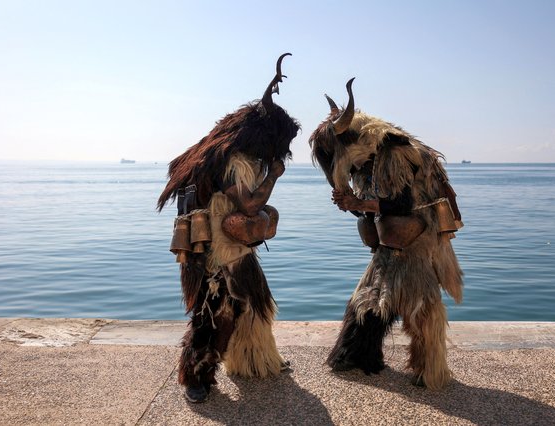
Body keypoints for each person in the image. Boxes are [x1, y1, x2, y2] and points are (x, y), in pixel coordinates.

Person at [157, 54, 300, 403]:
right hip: (216, 255)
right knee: (215, 314)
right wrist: (274, 176)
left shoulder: (225, 153)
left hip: (227, 249)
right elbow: (249, 204)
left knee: (256, 302)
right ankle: (196, 376)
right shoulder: (236, 161)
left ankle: (256, 361)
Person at [309, 78, 464, 390]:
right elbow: (372, 208)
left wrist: (357, 201)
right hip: (387, 243)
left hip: (414, 242)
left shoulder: (393, 151)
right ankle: (358, 356)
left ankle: (429, 369)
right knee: (368, 302)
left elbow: (403, 203)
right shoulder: (366, 163)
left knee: (419, 309)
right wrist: (352, 205)